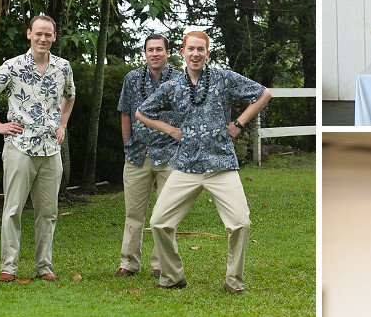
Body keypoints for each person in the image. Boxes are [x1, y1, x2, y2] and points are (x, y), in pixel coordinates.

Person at [135, 30, 272, 293]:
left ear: (208, 53)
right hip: (186, 164)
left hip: (221, 164)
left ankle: (234, 282)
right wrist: (171, 130)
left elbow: (263, 94)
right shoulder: (172, 86)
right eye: (191, 49)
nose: (195, 54)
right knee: (160, 222)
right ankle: (173, 276)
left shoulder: (222, 78)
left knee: (240, 223)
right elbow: (142, 112)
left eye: (201, 49)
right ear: (182, 53)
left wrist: (238, 124)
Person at [0, 14, 75, 282]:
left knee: (48, 213)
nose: (43, 38)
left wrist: (62, 124)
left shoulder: (63, 67)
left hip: (51, 150)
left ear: (54, 37)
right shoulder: (13, 66)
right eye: (38, 33)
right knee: (13, 209)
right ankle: (9, 266)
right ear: (29, 34)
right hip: (20, 147)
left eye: (48, 34)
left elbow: (70, 96)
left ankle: (44, 267)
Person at [114, 35, 178, 278]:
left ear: (168, 53)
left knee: (165, 212)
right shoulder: (132, 79)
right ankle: (129, 262)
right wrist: (127, 143)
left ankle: (161, 262)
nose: (155, 54)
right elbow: (125, 113)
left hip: (170, 154)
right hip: (137, 154)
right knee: (133, 213)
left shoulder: (180, 79)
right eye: (150, 50)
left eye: (159, 49)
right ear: (144, 53)